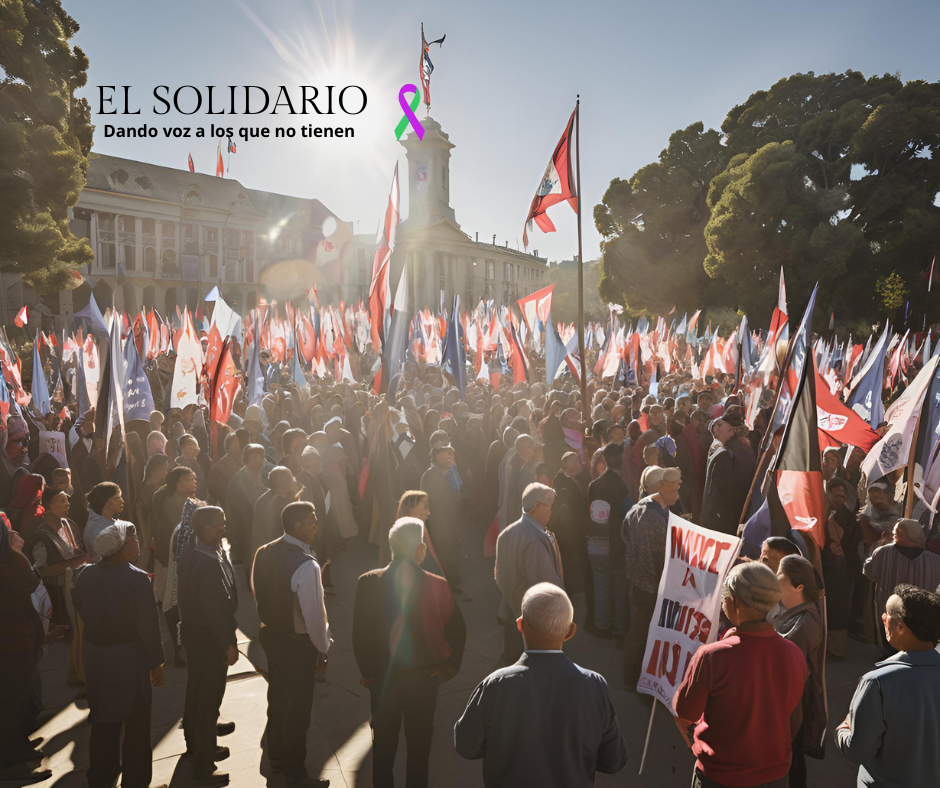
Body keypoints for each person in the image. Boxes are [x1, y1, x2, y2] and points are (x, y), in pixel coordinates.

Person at [454, 583, 628, 786]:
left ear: (520, 624)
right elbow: (614, 761)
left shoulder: (495, 685)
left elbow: (466, 746)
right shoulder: (594, 686)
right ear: (570, 631)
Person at [352, 517, 466, 788]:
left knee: (383, 747)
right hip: (424, 679)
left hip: (383, 680)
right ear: (420, 550)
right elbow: (458, 631)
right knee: (419, 747)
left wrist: (368, 673)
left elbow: (360, 635)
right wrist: (448, 667)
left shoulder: (368, 582)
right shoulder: (438, 584)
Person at [674, 563, 807, 788]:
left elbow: (685, 711)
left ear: (735, 602)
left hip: (720, 777)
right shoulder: (793, 652)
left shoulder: (712, 656)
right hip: (775, 776)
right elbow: (794, 718)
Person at [73, 523, 165, 788]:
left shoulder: (85, 575)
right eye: (132, 538)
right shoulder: (137, 579)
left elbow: (82, 609)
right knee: (136, 724)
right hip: (128, 658)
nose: (138, 542)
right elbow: (148, 627)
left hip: (96, 657)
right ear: (119, 547)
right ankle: (136, 781)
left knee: (103, 719)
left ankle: (101, 777)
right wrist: (156, 663)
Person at [251, 501, 330, 787]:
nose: (315, 524)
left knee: (278, 701)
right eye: (311, 520)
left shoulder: (264, 550)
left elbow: (256, 589)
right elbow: (314, 615)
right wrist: (322, 648)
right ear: (296, 526)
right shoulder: (306, 565)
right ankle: (296, 772)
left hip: (272, 637)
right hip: (298, 645)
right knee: (298, 710)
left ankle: (276, 760)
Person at [837, 585, 940, 787]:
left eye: (888, 614)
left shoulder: (877, 682)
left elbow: (857, 750)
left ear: (901, 626)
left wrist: (842, 729)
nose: (883, 618)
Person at [176, 506, 239, 786]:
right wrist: (229, 642)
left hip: (195, 635)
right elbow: (215, 611)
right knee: (208, 700)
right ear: (204, 528)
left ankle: (198, 744)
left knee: (198, 692)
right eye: (219, 524)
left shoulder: (195, 550)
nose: (223, 528)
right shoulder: (205, 560)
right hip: (208, 639)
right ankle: (204, 765)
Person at [0, 518, 50, 783]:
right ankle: (9, 764)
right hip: (11, 644)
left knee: (22, 701)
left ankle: (18, 748)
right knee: (10, 703)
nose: (13, 535)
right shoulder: (5, 565)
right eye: (7, 532)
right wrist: (18, 554)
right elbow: (28, 585)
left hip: (21, 641)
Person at [622, 466, 680, 689]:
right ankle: (635, 680)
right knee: (643, 634)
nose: (677, 490)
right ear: (660, 487)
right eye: (673, 488)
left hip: (638, 582)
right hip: (651, 586)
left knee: (638, 631)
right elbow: (665, 557)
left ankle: (631, 677)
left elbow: (624, 536)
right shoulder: (654, 518)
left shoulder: (636, 509)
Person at [494, 483, 564, 665]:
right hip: (532, 623)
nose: (551, 510)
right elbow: (546, 587)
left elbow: (499, 576)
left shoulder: (506, 533)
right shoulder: (533, 539)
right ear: (536, 507)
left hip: (512, 613)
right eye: (549, 505)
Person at [774, 555, 827, 788]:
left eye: (779, 576)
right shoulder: (790, 609)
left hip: (793, 702)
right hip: (790, 699)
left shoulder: (804, 624)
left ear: (799, 586)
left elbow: (782, 665)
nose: (774, 579)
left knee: (792, 755)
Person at [863, 518, 940, 646]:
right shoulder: (936, 560)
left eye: (896, 532)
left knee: (889, 645)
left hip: (890, 614)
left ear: (900, 534)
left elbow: (869, 572)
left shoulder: (883, 552)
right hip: (924, 617)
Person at [586, 442, 633, 640]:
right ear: (621, 460)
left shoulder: (594, 485)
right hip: (615, 542)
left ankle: (601, 624)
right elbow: (629, 514)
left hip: (596, 539)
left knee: (601, 584)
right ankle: (619, 628)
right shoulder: (620, 485)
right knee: (619, 587)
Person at [420, 444, 463, 594]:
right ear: (436, 456)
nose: (449, 457)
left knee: (451, 550)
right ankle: (446, 584)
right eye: (446, 454)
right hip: (438, 522)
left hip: (450, 520)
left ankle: (452, 580)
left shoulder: (449, 471)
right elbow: (425, 502)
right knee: (442, 552)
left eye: (450, 454)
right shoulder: (429, 476)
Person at [224, 443, 270, 567]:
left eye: (261, 457)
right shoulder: (239, 481)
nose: (259, 460)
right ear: (247, 459)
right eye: (255, 457)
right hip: (246, 529)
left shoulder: (264, 473)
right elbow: (239, 512)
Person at [250, 466, 298, 562]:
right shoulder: (281, 502)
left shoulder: (262, 499)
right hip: (278, 556)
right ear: (284, 482)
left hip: (263, 554)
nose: (294, 481)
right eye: (291, 478)